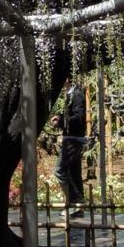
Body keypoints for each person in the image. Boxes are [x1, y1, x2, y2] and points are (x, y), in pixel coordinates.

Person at [52, 77, 87, 208]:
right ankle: (77, 208)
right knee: (74, 173)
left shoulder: (76, 94)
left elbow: (78, 117)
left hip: (73, 139)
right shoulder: (70, 94)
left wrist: (61, 121)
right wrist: (60, 117)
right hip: (72, 137)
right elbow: (71, 115)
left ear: (67, 79)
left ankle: (76, 199)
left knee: (60, 170)